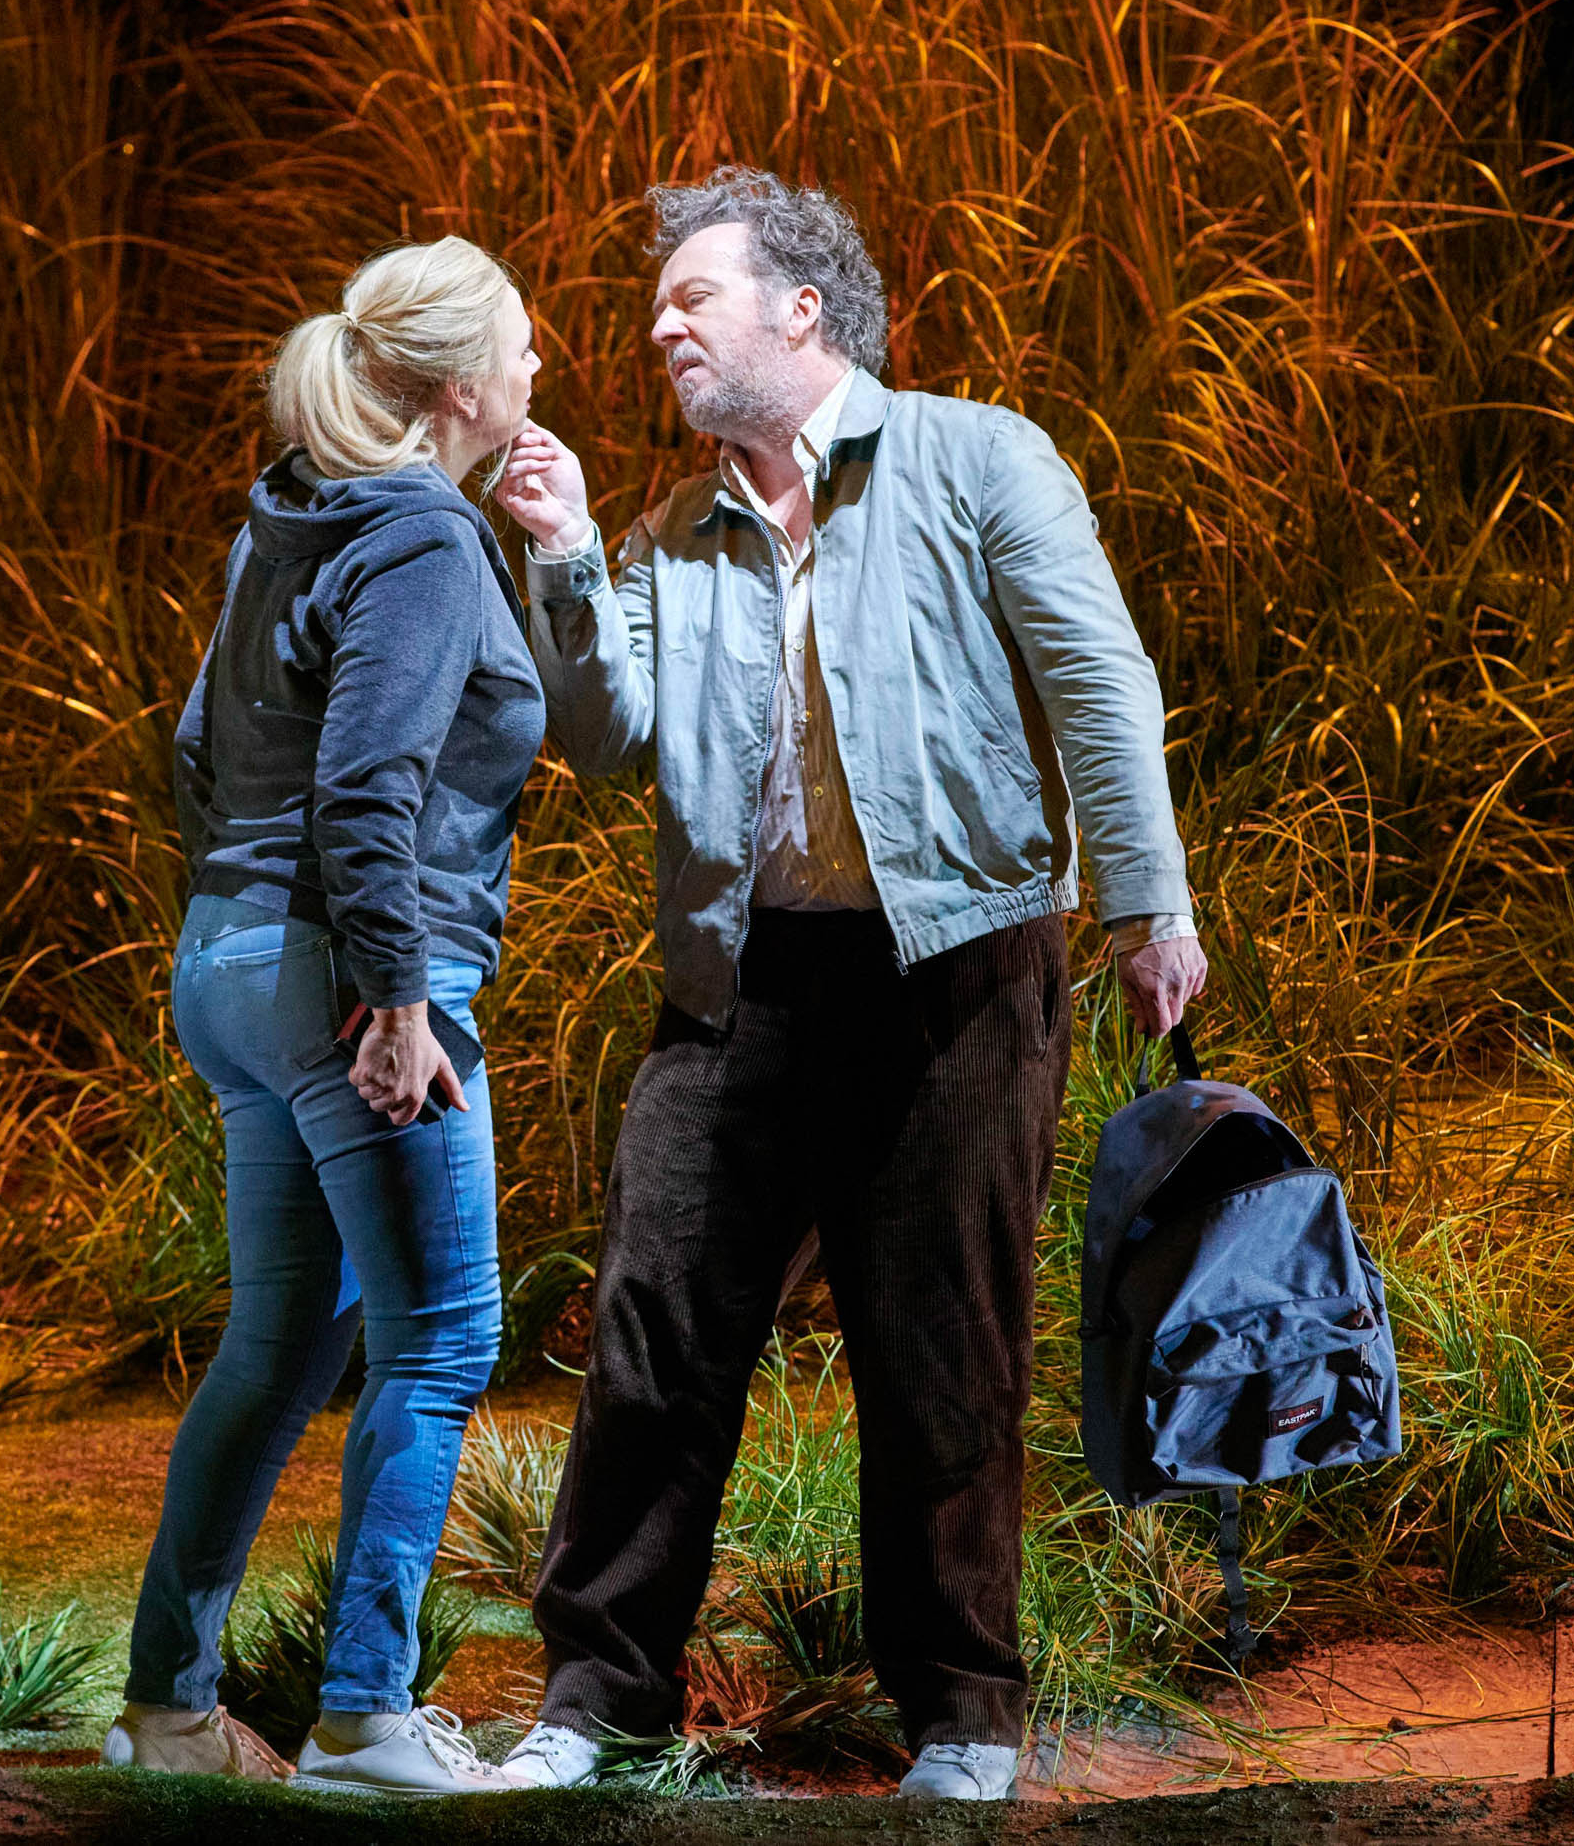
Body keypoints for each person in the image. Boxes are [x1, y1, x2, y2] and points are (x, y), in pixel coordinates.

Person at [488, 168, 1207, 1801]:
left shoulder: (975, 456)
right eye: (658, 304)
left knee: (939, 1348)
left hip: (957, 966)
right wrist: (562, 559)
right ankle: (596, 1705)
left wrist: (1144, 901)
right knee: (653, 1334)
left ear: (802, 310)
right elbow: (607, 745)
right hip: (741, 980)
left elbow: (1099, 677)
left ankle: (960, 1719)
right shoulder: (672, 531)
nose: (659, 324)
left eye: (695, 297)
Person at [107, 235, 545, 1799]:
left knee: (284, 1339)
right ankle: (367, 1714)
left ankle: (165, 1708)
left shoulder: (286, 515)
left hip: (226, 959)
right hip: (341, 972)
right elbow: (369, 785)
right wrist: (392, 995)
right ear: (453, 388)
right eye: (522, 344)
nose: (540, 366)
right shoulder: (424, 536)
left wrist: (248, 928)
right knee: (442, 1338)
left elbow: (190, 745)